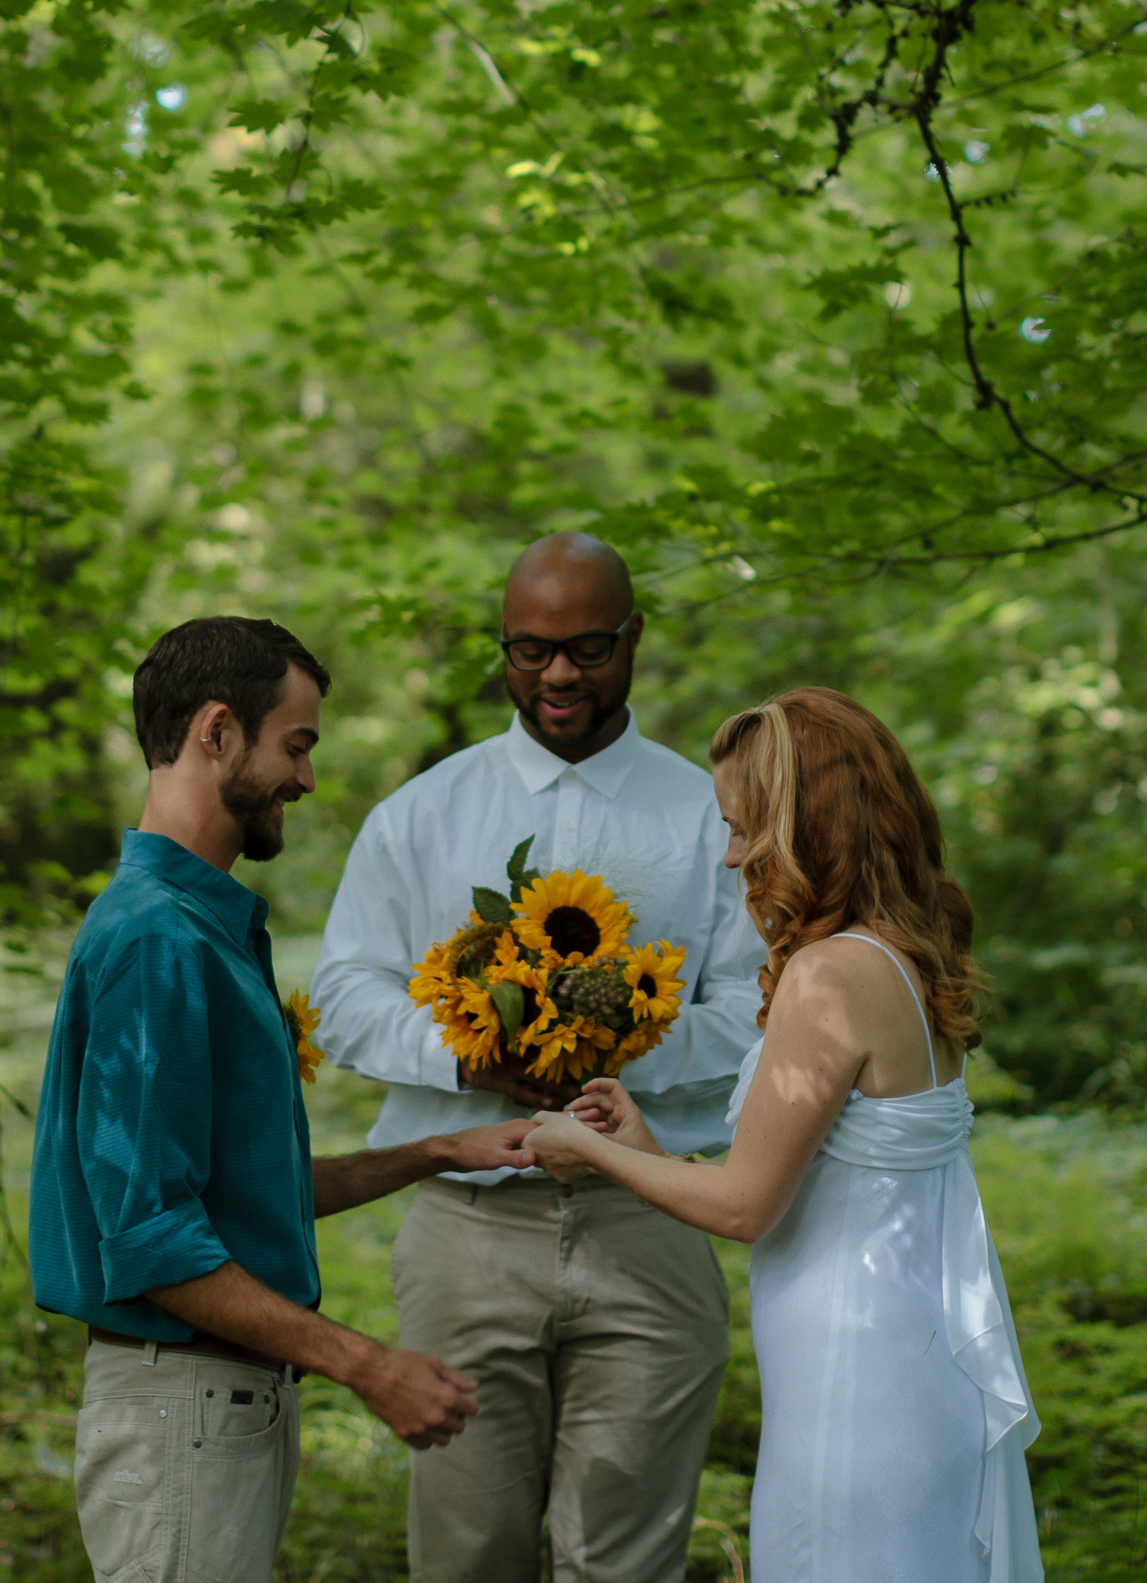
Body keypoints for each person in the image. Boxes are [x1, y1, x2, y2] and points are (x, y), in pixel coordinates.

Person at [29, 616, 536, 1583]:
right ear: (216, 731)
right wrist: (368, 1364)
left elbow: (230, 1194)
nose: (305, 778)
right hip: (180, 1408)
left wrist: (435, 1154)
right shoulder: (156, 940)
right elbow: (152, 1241)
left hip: (219, 1408)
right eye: (295, 745)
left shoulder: (202, 928)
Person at [310, 532, 762, 1583]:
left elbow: (759, 1006)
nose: (559, 674)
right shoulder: (421, 813)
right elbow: (343, 995)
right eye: (531, 649)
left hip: (648, 1221)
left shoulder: (713, 815)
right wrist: (468, 1058)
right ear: (503, 648)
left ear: (635, 639)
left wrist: (622, 1049)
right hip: (469, 1229)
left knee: (625, 1558)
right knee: (466, 1555)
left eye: (590, 647)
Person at [527, 685, 1046, 1583]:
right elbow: (814, 1186)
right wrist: (645, 1150)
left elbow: (747, 1208)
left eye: (743, 827)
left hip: (859, 1382)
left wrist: (588, 1151)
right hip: (904, 1358)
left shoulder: (828, 976)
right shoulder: (899, 955)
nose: (730, 857)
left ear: (808, 828)